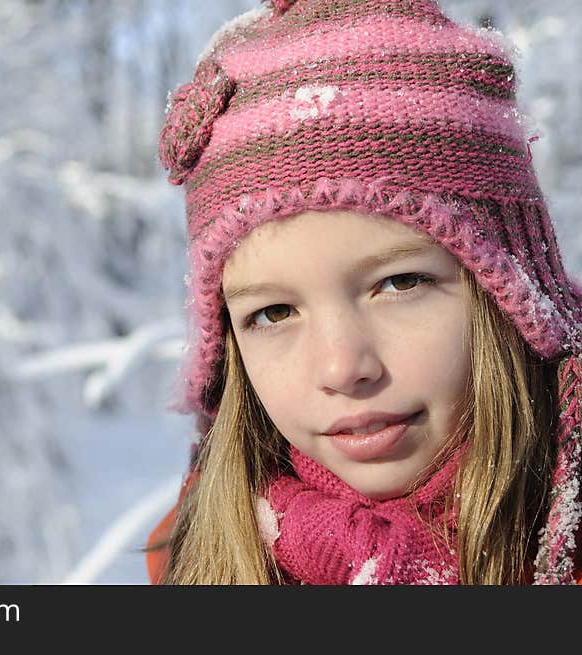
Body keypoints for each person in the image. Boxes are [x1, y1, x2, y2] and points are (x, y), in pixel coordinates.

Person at [146, 0, 582, 585]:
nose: (342, 366)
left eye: (399, 283)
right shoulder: (194, 559)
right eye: (273, 312)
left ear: (511, 294)